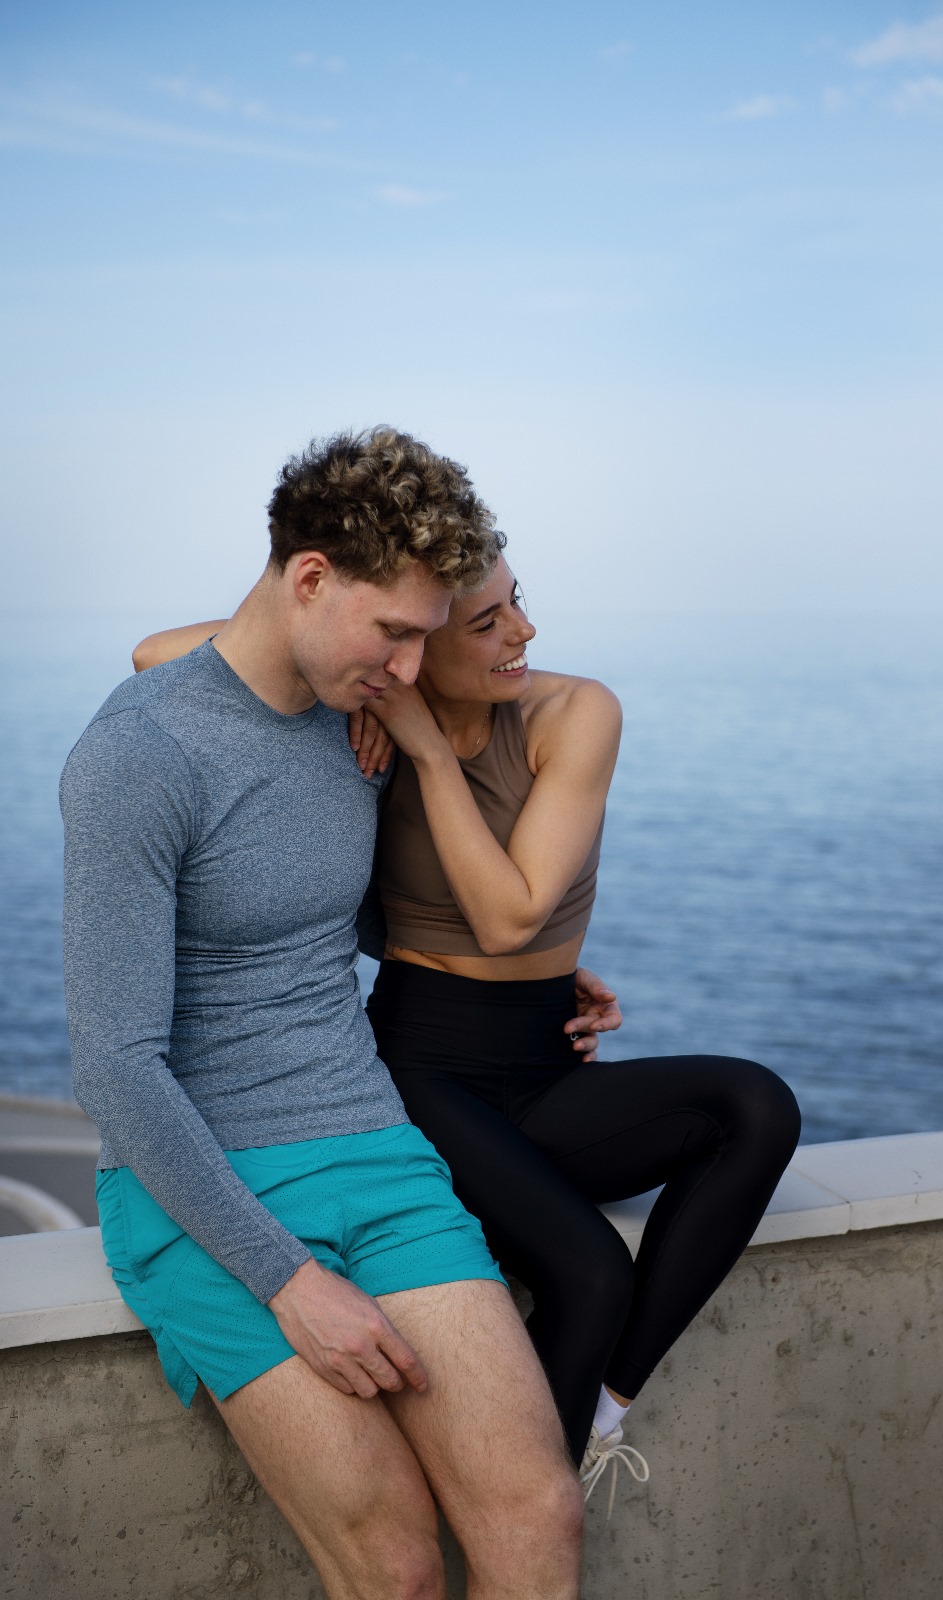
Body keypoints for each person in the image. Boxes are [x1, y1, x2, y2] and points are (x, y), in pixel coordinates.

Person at [138, 545, 803, 1501]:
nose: (523, 632)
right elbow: (154, 654)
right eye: (484, 623)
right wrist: (390, 706)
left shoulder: (575, 712)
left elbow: (516, 917)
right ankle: (526, 1516)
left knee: (755, 1105)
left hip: (545, 1062)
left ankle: (600, 1411)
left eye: (516, 604)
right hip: (419, 1074)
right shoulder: (362, 708)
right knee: (589, 1273)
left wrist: (420, 743)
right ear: (413, 642)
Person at [62, 429, 585, 1600]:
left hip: (376, 1149)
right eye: (394, 631)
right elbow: (115, 1065)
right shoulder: (138, 753)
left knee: (538, 1513)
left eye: (426, 635)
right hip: (202, 1183)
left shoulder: (358, 725)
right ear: (309, 577)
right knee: (394, 1565)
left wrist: (531, 982)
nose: (410, 667)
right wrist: (287, 1280)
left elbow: (343, 919)